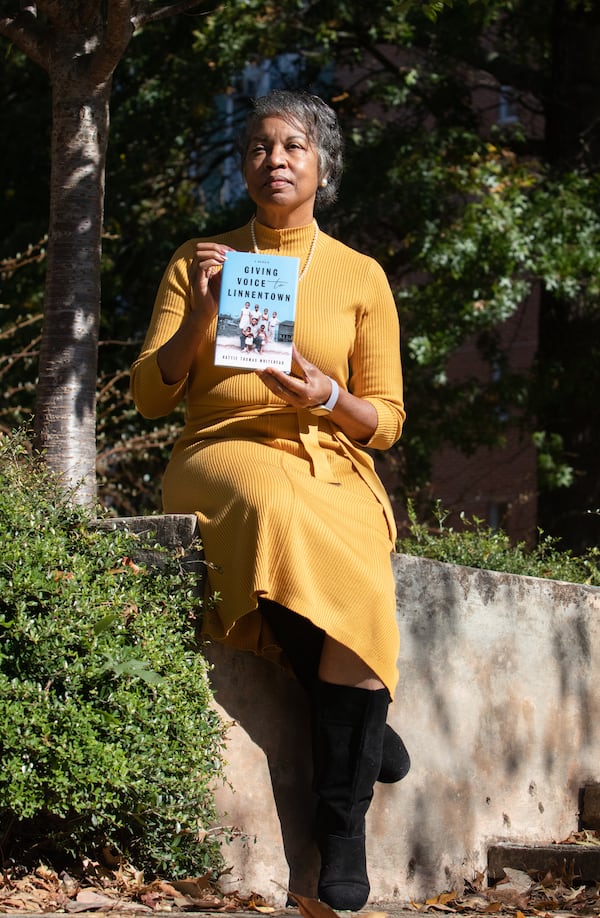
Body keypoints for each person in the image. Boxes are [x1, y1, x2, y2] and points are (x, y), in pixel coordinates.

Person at [130, 89, 408, 911]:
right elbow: (150, 394)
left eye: (293, 147)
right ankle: (355, 718)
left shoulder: (360, 275)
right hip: (220, 449)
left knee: (360, 555)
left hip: (325, 450)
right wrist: (203, 320)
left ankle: (341, 826)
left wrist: (326, 397)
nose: (274, 160)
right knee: (270, 504)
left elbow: (385, 421)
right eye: (257, 147)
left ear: (323, 165)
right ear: (244, 163)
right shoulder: (199, 258)